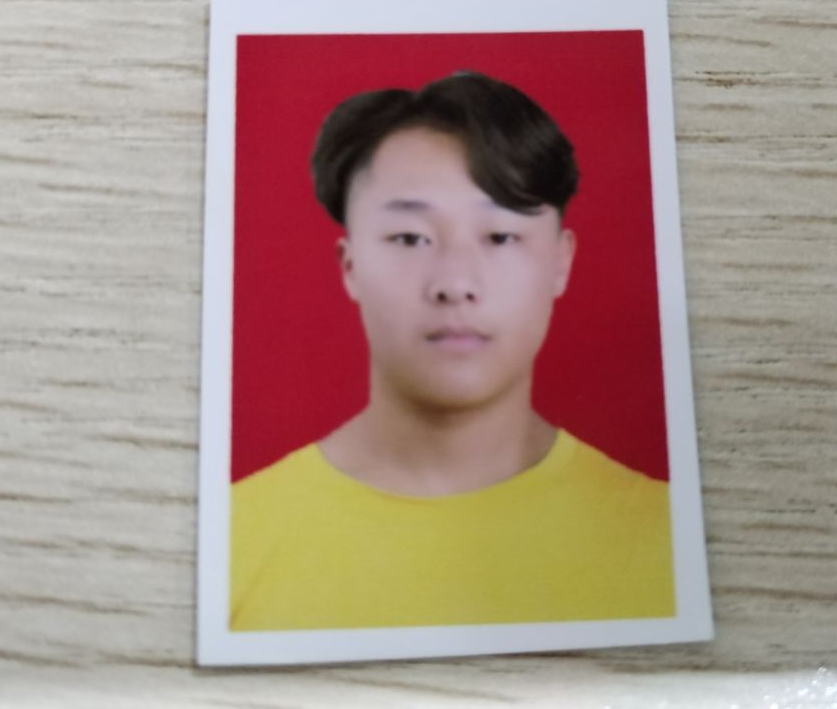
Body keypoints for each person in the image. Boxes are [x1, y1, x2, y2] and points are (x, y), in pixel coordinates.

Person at [230, 71, 674, 631]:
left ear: (561, 262)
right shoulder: (235, 542)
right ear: (350, 266)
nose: (456, 283)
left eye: (500, 236)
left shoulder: (665, 540)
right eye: (410, 238)